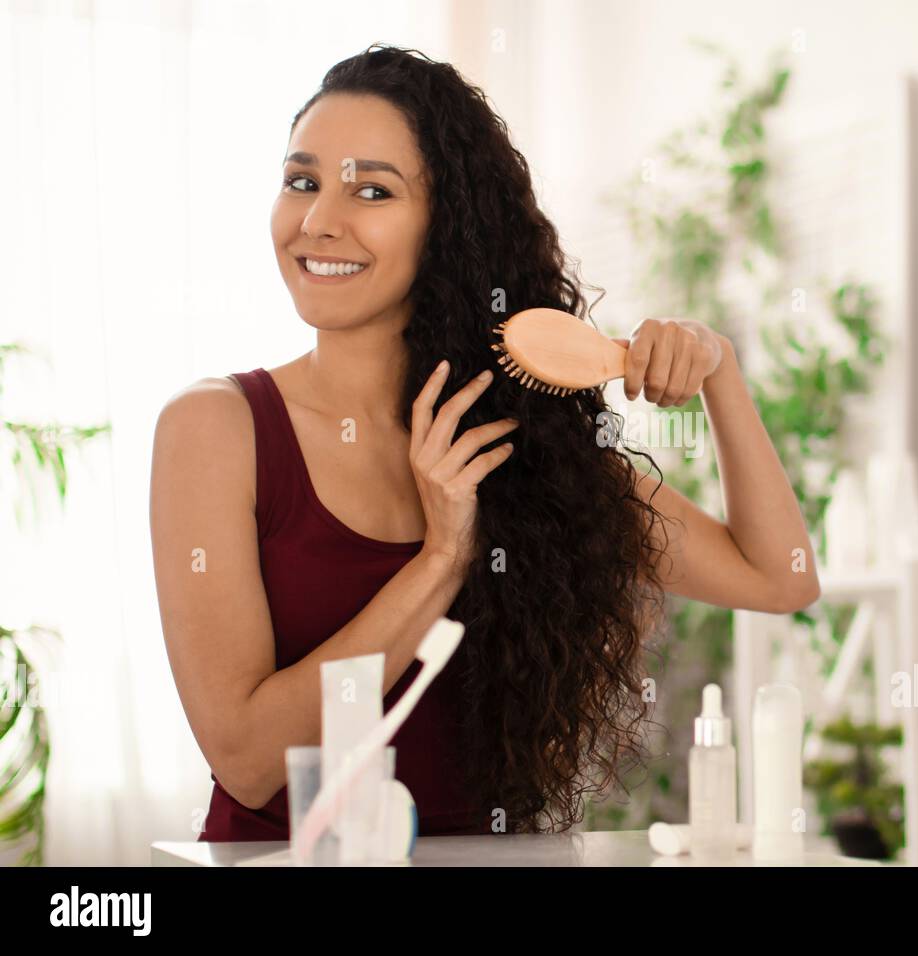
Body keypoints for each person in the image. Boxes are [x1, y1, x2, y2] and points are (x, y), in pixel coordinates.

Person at [148, 44, 819, 841]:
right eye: (302, 181)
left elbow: (781, 579)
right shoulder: (216, 429)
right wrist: (443, 557)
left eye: (371, 190)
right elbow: (251, 761)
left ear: (447, 224)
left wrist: (722, 372)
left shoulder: (519, 439)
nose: (319, 220)